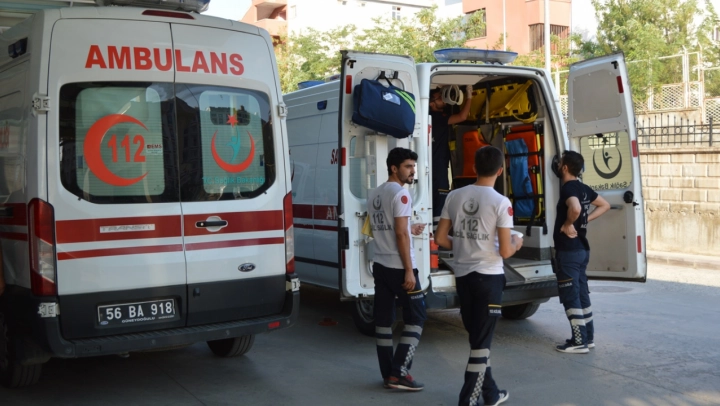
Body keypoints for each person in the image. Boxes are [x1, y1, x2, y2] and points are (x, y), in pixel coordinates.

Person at [435, 146, 522, 406]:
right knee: (481, 344)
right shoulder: (501, 203)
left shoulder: (454, 196)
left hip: (463, 276)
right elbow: (505, 251)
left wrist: (464, 244)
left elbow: (440, 238)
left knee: (477, 340)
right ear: (500, 170)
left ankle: (491, 393)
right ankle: (468, 400)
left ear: (473, 168)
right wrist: (517, 242)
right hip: (489, 277)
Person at [367, 147, 427, 391]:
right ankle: (400, 373)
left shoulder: (375, 193)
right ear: (394, 168)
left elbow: (383, 228)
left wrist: (409, 230)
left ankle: (388, 374)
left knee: (383, 321)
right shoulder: (401, 194)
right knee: (417, 317)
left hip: (380, 265)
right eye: (408, 166)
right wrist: (409, 270)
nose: (413, 171)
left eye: (414, 166)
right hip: (399, 267)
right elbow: (400, 234)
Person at [552, 150, 610, 354]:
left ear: (565, 167)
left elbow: (575, 208)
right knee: (582, 294)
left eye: (560, 163)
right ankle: (588, 338)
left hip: (569, 251)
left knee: (571, 296)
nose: (558, 166)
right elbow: (605, 205)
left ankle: (578, 342)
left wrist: (569, 223)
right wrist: (585, 220)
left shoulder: (568, 188)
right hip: (582, 249)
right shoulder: (584, 188)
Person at [429, 85, 473, 229]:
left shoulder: (427, 117)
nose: (443, 99)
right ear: (431, 103)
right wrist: (469, 96)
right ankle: (438, 234)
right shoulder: (438, 118)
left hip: (432, 166)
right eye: (440, 97)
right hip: (439, 167)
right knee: (440, 201)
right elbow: (462, 116)